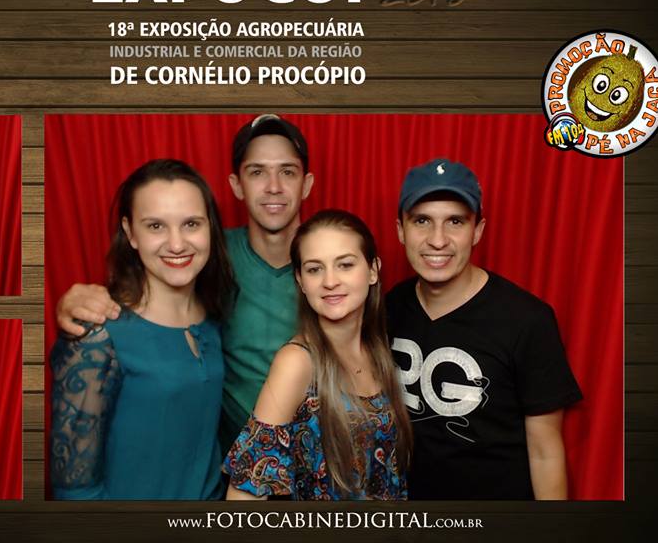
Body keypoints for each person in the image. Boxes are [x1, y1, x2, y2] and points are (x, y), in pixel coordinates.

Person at [55, 114, 315, 452]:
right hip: (232, 464)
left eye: (287, 172)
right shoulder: (208, 257)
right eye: (257, 172)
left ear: (306, 184)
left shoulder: (331, 260)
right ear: (236, 185)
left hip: (317, 459)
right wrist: (73, 301)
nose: (274, 186)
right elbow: (147, 292)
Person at [387, 158, 583, 500]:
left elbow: (545, 452)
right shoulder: (388, 307)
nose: (437, 240)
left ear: (477, 230)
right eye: (422, 221)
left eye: (455, 221)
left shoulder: (527, 320)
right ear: (401, 230)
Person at [49, 159, 236, 499]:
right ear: (131, 232)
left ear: (210, 226)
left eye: (191, 223)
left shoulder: (212, 315)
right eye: (156, 226)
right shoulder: (98, 334)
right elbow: (74, 490)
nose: (177, 244)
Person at [224, 210, 411, 500]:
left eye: (345, 265)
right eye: (314, 269)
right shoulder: (297, 362)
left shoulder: (377, 350)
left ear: (373, 270)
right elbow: (244, 494)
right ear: (300, 280)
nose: (330, 281)